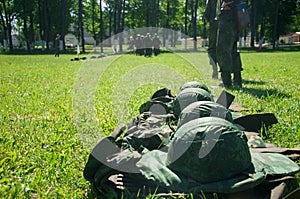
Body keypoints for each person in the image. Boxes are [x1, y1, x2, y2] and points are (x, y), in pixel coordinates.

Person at [215, 0, 243, 88]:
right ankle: (237, 80)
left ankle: (226, 81)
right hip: (233, 15)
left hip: (227, 15)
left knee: (223, 50)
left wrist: (227, 2)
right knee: (232, 50)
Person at [204, 0, 219, 79]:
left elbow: (207, 13)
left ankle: (214, 70)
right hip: (227, 25)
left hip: (213, 25)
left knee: (212, 49)